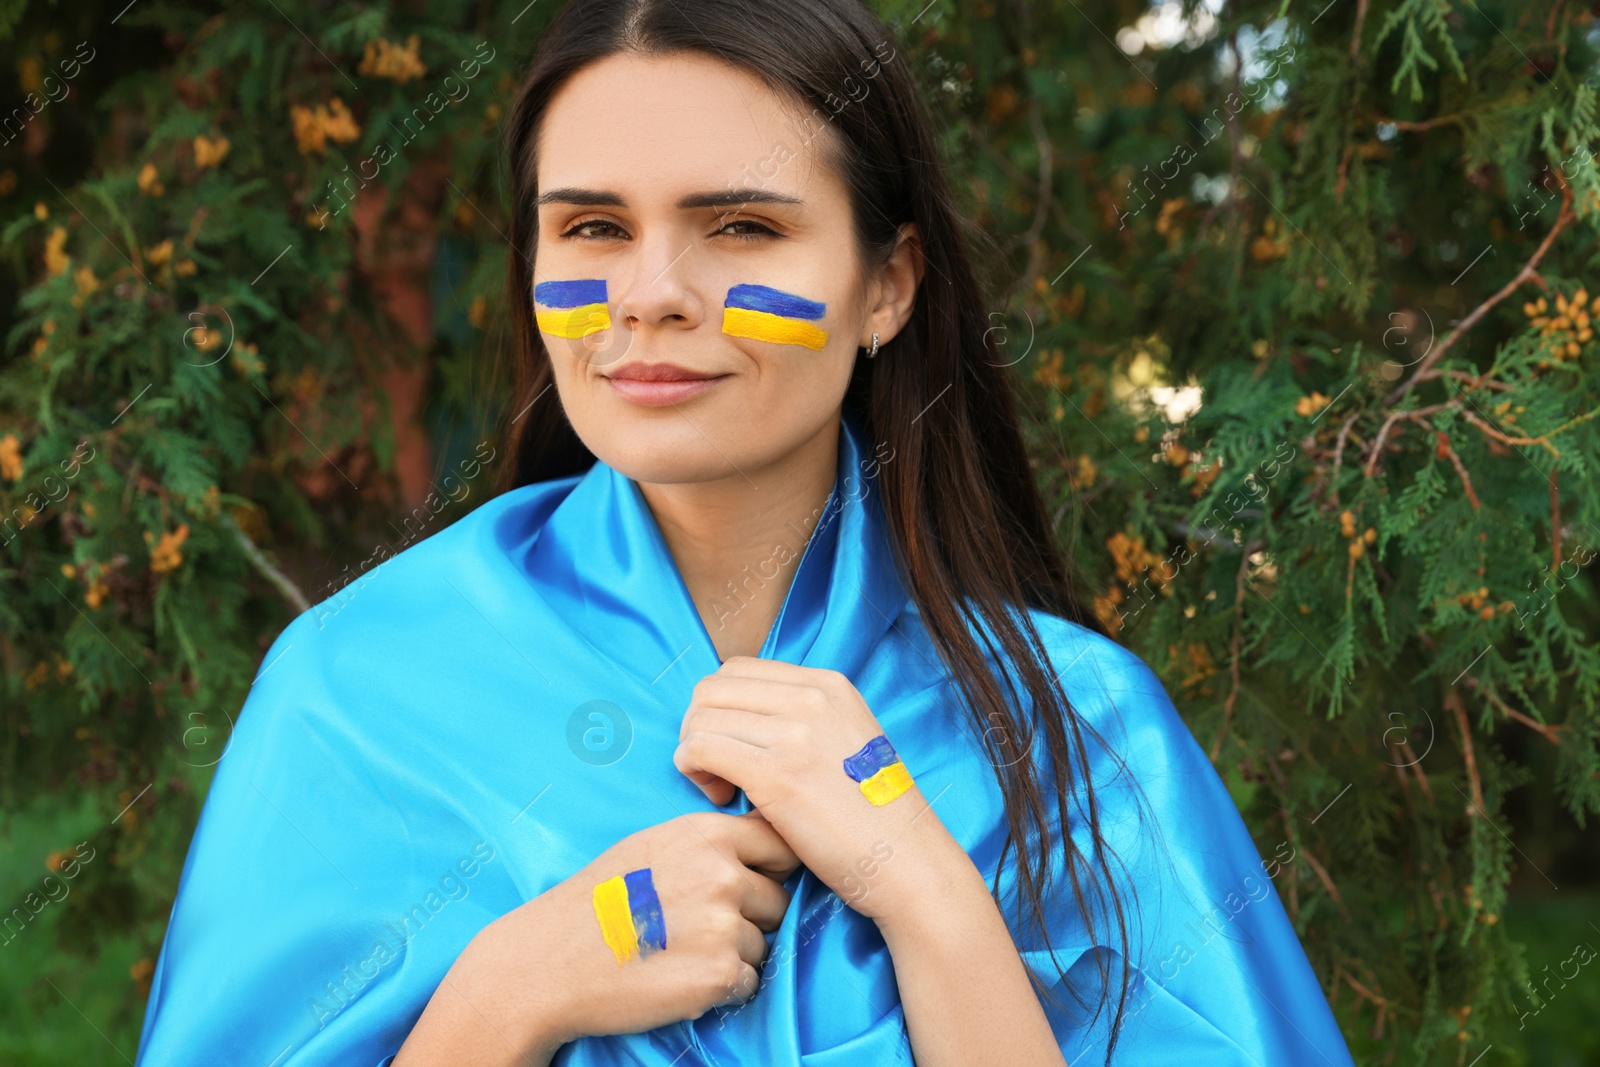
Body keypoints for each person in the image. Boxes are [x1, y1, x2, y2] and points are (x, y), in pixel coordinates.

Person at [134, 1, 1358, 1064]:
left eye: (740, 227)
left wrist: (922, 888)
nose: (650, 291)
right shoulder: (355, 687)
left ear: (887, 284)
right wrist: (512, 989)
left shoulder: (1081, 728)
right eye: (593, 228)